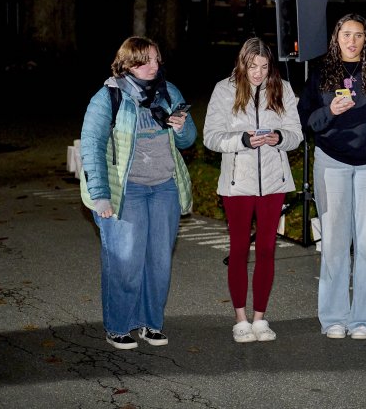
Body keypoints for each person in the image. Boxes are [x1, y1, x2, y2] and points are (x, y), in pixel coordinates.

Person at [79, 36, 197, 350]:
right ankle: (118, 326)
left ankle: (151, 324)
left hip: (164, 187)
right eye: (146, 61)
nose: (153, 67)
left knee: (159, 260)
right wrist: (100, 194)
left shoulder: (169, 92)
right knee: (125, 260)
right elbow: (90, 148)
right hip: (125, 190)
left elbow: (188, 140)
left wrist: (181, 127)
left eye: (157, 60)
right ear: (128, 63)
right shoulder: (108, 97)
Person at [297, 14, 366, 340]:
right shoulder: (321, 71)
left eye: (358, 35)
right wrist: (331, 112)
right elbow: (306, 120)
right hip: (331, 163)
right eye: (346, 34)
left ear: (365, 39)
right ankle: (333, 318)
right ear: (336, 37)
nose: (351, 41)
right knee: (335, 244)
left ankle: (363, 321)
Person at [203, 38, 303, 344]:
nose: (258, 73)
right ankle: (240, 319)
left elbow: (296, 135)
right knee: (238, 251)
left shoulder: (282, 88)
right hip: (237, 185)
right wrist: (243, 141)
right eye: (252, 66)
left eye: (263, 66)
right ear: (242, 63)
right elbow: (211, 137)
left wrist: (278, 138)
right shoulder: (224, 89)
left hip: (274, 183)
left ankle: (260, 318)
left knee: (267, 251)